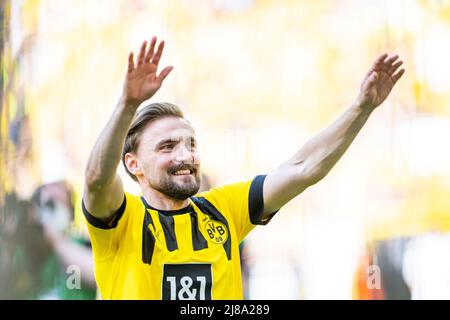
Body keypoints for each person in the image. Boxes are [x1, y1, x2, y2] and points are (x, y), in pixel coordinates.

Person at [82, 36, 404, 300]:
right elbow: (97, 179)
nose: (185, 155)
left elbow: (304, 168)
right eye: (167, 146)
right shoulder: (121, 222)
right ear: (133, 164)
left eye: (190, 144)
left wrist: (362, 108)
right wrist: (127, 105)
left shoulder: (223, 209)